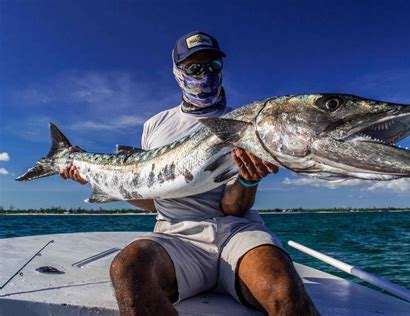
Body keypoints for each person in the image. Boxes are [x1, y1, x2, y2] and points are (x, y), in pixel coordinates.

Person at [60, 31, 319, 316]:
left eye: (213, 66)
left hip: (237, 233)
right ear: (177, 72)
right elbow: (152, 200)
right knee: (128, 270)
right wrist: (96, 177)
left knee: (286, 293)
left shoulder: (244, 123)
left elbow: (233, 207)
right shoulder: (155, 126)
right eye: (194, 67)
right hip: (176, 238)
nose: (205, 74)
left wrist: (249, 178)